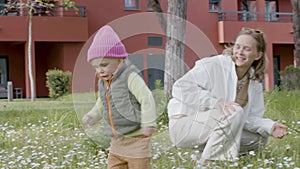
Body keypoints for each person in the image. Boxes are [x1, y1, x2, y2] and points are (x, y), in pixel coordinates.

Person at [167, 27, 288, 167]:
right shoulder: (214, 64)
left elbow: (248, 118)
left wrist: (270, 126)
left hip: (214, 126)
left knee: (259, 138)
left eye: (247, 49)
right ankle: (209, 163)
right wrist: (215, 103)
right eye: (238, 47)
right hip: (185, 125)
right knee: (234, 111)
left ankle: (204, 154)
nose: (240, 52)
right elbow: (180, 88)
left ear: (258, 55)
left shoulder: (253, 82)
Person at [82, 25, 157, 169]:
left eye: (104, 65)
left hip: (137, 138)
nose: (100, 70)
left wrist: (149, 123)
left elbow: (146, 98)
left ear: (120, 60)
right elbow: (102, 101)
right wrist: (93, 115)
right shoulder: (104, 81)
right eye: (96, 67)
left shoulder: (130, 76)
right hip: (116, 140)